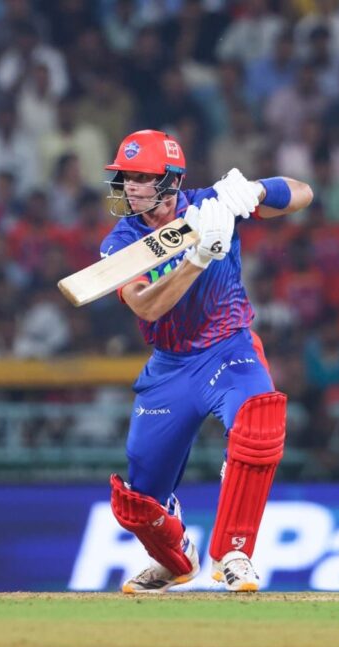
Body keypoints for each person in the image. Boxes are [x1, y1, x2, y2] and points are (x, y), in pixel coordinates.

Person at [100, 129, 312, 593]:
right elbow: (146, 307)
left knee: (258, 423)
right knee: (138, 502)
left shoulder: (214, 204)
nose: (130, 187)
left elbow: (303, 193)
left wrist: (254, 192)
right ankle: (174, 561)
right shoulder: (122, 241)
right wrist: (196, 258)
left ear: (172, 180)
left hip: (228, 349)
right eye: (126, 177)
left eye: (142, 177)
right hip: (170, 366)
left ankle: (233, 552)